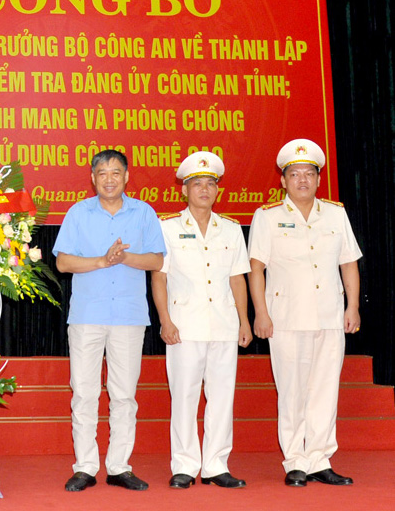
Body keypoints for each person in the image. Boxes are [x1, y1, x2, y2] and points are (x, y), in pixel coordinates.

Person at [248, 139, 361, 487]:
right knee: (292, 391)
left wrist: (353, 306)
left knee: (325, 391)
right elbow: (256, 269)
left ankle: (319, 459)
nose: (302, 180)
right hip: (286, 317)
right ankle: (295, 460)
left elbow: (348, 263)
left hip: (329, 315)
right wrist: (261, 313)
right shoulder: (267, 216)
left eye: (309, 174)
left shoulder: (336, 214)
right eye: (294, 174)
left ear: (318, 179)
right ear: (283, 180)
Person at [53, 149, 166, 492]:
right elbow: (63, 263)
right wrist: (102, 261)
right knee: (84, 393)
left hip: (129, 316)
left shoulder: (144, 212)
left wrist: (125, 257)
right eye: (102, 173)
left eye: (116, 172)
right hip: (87, 315)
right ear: (93, 178)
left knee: (124, 395)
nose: (109, 179)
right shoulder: (78, 213)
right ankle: (85, 467)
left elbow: (157, 261)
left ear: (127, 176)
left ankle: (119, 466)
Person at [151, 152, 251, 490]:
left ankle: (216, 465)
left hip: (224, 324)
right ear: (184, 190)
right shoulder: (167, 227)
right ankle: (184, 465)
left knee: (222, 398)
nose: (204, 189)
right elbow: (159, 277)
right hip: (184, 325)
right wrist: (165, 320)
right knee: (184, 397)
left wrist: (244, 321)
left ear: (218, 190)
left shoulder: (232, 230)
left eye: (210, 184)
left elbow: (238, 277)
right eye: (197, 184)